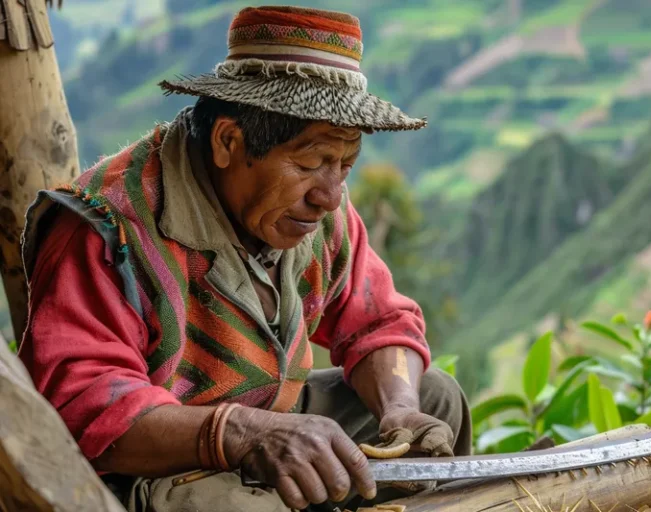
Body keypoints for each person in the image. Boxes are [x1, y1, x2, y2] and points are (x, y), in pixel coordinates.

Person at [18, 5, 472, 512]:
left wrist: (400, 410)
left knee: (434, 397)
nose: (330, 194)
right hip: (153, 469)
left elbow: (378, 322)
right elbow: (88, 406)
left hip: (267, 417)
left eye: (345, 165)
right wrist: (241, 433)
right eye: (309, 163)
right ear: (228, 141)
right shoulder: (109, 227)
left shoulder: (316, 208)